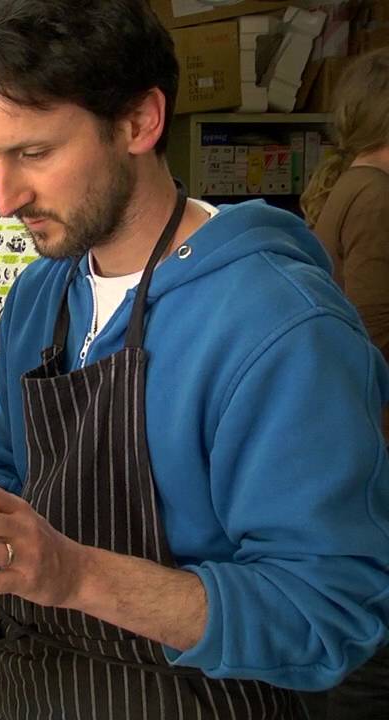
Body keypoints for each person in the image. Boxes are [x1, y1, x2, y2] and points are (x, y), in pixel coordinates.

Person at [0, 1, 389, 718]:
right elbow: (11, 472)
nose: (7, 196)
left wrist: (76, 574)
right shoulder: (39, 298)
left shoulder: (279, 326)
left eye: (34, 153)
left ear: (140, 122)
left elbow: (327, 614)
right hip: (32, 693)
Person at [301, 46, 389, 720]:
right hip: (375, 446)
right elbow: (373, 335)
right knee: (370, 662)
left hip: (341, 450)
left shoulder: (343, 187)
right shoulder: (378, 199)